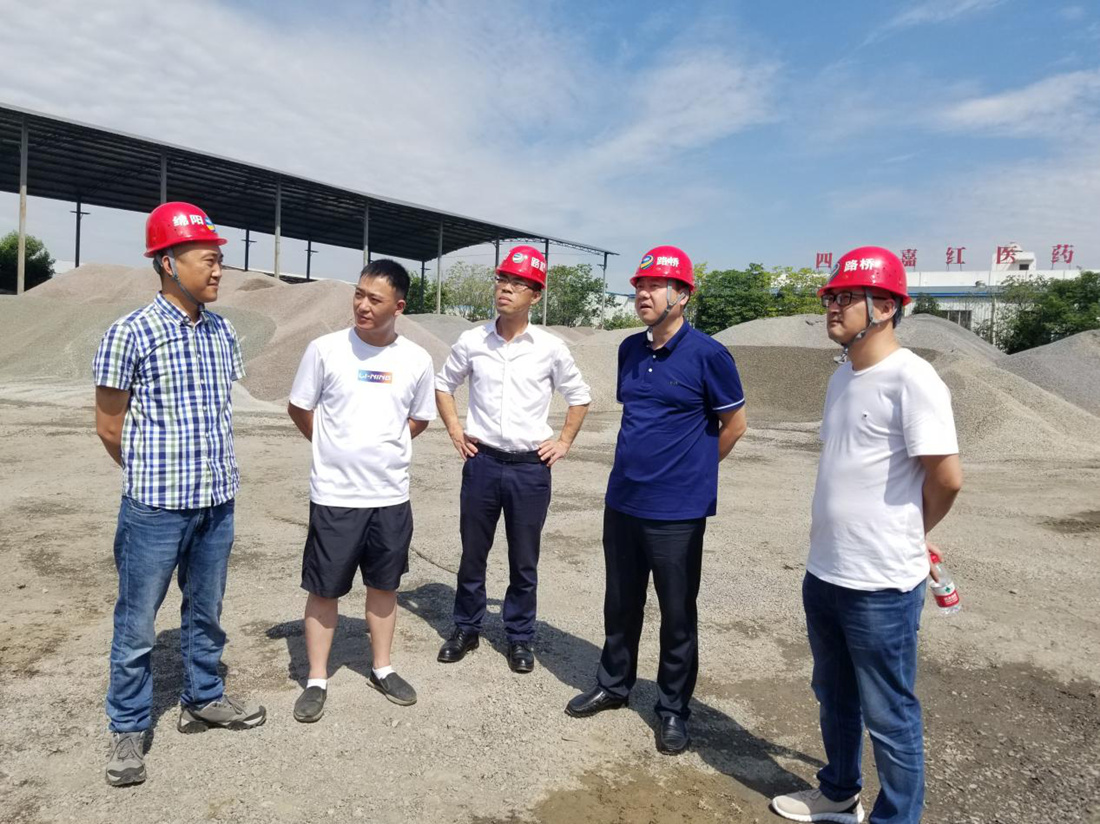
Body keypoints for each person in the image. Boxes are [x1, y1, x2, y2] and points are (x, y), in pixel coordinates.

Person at [770, 247, 963, 824]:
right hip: (826, 569)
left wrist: (911, 531)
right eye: (831, 297)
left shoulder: (913, 378)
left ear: (886, 307)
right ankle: (838, 792)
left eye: (847, 297)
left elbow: (947, 478)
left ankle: (896, 817)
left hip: (881, 582)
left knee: (889, 713)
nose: (832, 306)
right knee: (834, 694)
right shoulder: (842, 377)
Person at [93, 202, 265, 788]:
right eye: (207, 259)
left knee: (206, 611)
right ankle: (127, 726)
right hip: (155, 509)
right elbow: (109, 427)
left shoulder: (223, 331)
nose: (219, 270)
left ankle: (204, 697)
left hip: (217, 502)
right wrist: (151, 473)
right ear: (169, 263)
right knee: (138, 622)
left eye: (219, 260)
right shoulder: (130, 333)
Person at [566, 245, 747, 754]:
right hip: (623, 500)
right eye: (639, 286)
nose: (642, 294)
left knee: (677, 612)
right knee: (621, 602)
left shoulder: (709, 354)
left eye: (654, 286)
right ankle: (613, 684)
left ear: (682, 294)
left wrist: (692, 472)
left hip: (677, 512)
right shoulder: (629, 349)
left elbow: (734, 425)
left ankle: (672, 709)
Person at [286, 259, 436, 723]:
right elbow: (299, 407)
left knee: (384, 585)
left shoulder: (416, 359)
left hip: (389, 496)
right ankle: (316, 678)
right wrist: (332, 447)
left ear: (399, 307)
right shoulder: (325, 350)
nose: (362, 305)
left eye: (375, 299)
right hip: (336, 495)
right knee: (324, 588)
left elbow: (420, 417)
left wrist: (382, 448)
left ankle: (382, 667)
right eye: (358, 294)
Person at [434, 245, 591, 673]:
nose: (506, 288)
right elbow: (444, 385)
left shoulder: (550, 348)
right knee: (473, 552)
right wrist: (455, 430)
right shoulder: (472, 340)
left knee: (524, 558)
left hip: (529, 468)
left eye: (518, 283)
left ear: (535, 295)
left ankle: (520, 636)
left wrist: (563, 442)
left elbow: (579, 396)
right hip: (482, 462)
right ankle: (466, 627)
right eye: (503, 279)